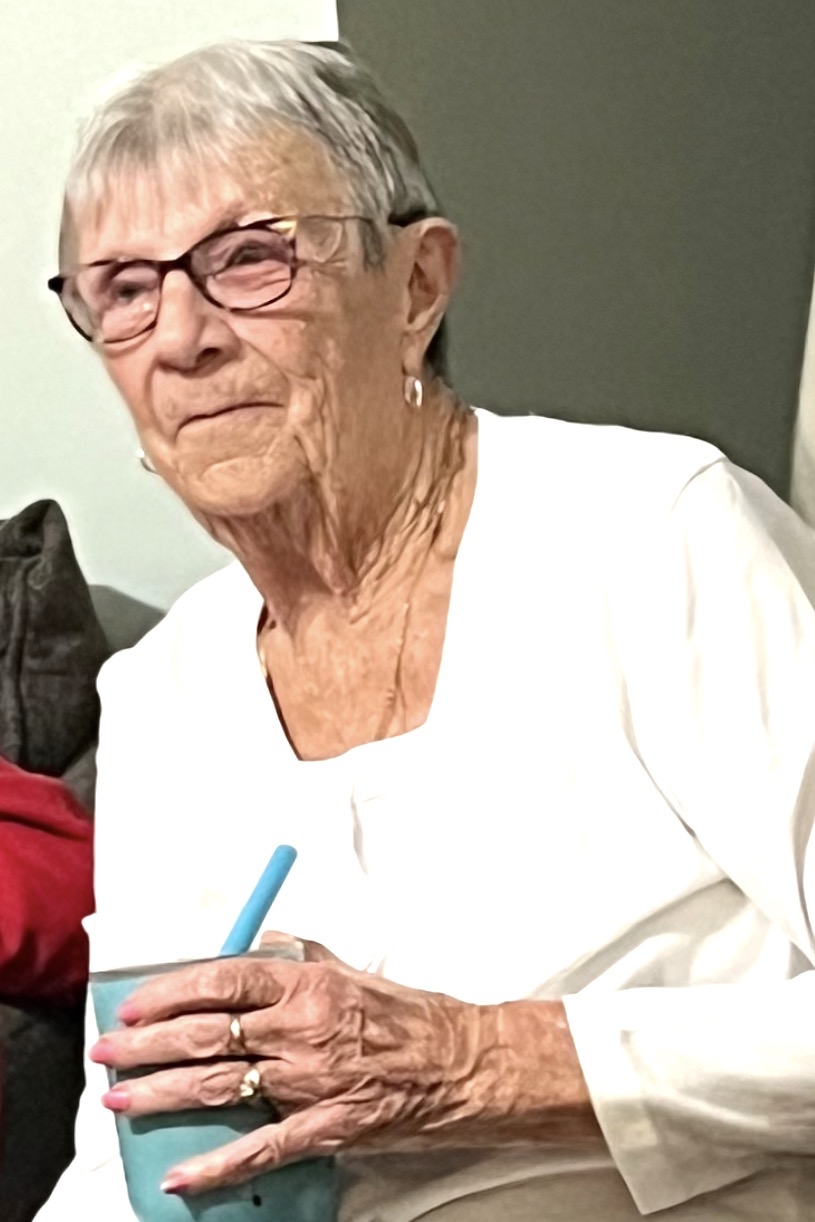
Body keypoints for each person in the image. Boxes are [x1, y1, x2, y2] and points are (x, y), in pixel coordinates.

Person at [38, 38, 815, 1222]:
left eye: (249, 259)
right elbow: (130, 1148)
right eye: (126, 291)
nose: (181, 338)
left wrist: (477, 1063)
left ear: (414, 286)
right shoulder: (161, 691)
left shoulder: (652, 533)